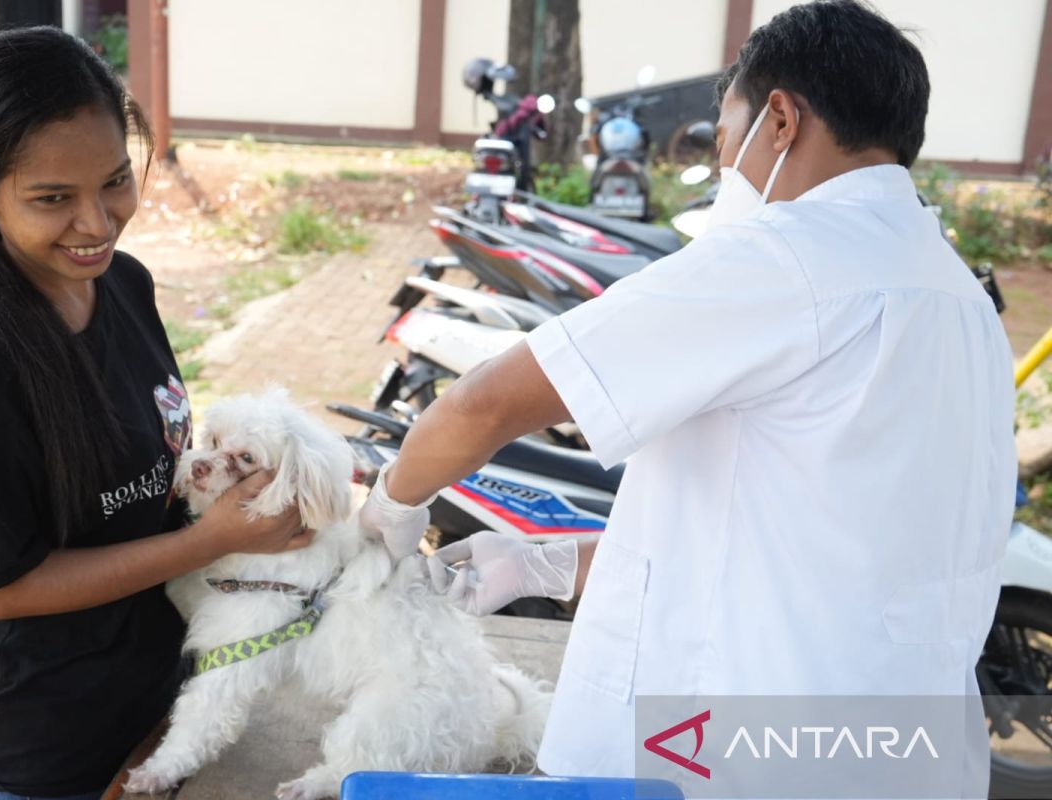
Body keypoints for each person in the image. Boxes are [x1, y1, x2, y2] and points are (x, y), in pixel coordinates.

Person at [360, 0, 1016, 792]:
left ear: (781, 119)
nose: (725, 159)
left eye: (726, 133)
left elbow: (484, 404)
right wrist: (547, 563)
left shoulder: (786, 259)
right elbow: (814, 545)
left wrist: (391, 505)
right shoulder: (958, 299)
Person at [0, 27, 310, 799]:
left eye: (115, 182)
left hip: (162, 695)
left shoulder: (124, 285)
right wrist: (210, 542)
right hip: (51, 744)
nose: (97, 222)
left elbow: (155, 475)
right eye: (53, 199)